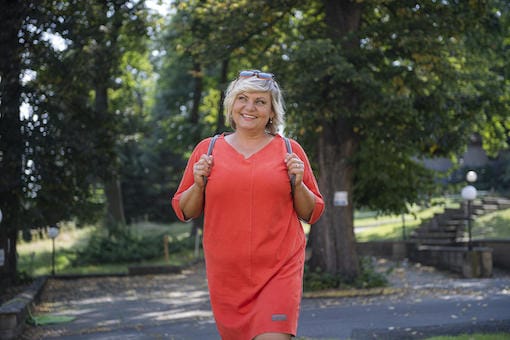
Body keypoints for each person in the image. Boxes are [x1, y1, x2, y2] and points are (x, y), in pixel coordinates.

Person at [171, 69, 325, 340]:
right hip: (227, 277)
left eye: (260, 101)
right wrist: (198, 183)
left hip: (280, 270)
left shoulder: (290, 150)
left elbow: (311, 213)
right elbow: (185, 210)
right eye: (243, 98)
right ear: (231, 105)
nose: (250, 107)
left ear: (272, 112)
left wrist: (298, 183)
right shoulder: (207, 150)